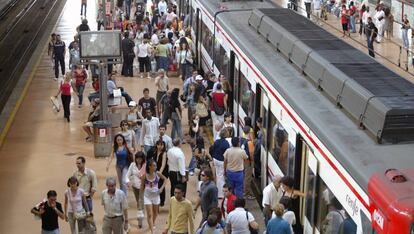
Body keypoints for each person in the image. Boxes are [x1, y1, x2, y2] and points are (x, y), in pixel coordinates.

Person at [141, 159, 167, 233]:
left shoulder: (157, 174)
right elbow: (141, 187)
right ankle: (152, 231)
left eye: (156, 165)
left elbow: (165, 179)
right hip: (147, 197)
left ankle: (152, 222)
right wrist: (140, 198)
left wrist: (161, 188)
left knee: (155, 213)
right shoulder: (144, 176)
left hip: (156, 196)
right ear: (149, 167)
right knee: (149, 214)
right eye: (154, 166)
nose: (156, 167)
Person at [126, 151, 146, 228]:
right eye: (137, 158)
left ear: (143, 159)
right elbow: (127, 175)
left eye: (140, 158)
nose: (139, 160)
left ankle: (140, 220)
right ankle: (140, 215)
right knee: (138, 202)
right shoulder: (132, 165)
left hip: (143, 187)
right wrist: (128, 182)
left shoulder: (145, 166)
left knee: (140, 202)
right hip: (135, 187)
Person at [148, 140, 169, 206]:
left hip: (163, 172)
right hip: (155, 171)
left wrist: (160, 173)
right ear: (156, 145)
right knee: (155, 185)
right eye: (158, 145)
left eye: (161, 145)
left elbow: (163, 164)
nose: (160, 146)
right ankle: (156, 200)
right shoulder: (154, 152)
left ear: (164, 146)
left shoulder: (164, 153)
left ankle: (162, 201)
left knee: (161, 185)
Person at [211, 129, 230, 198]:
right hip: (222, 161)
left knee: (218, 175)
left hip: (216, 159)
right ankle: (221, 194)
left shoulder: (216, 142)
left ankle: (218, 192)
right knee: (221, 176)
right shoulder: (226, 143)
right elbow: (227, 154)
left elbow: (213, 150)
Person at [241, 126, 255, 200]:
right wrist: (253, 161)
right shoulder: (249, 142)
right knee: (247, 178)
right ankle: (246, 194)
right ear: (249, 133)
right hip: (248, 162)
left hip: (242, 161)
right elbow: (251, 154)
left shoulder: (241, 139)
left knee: (244, 176)